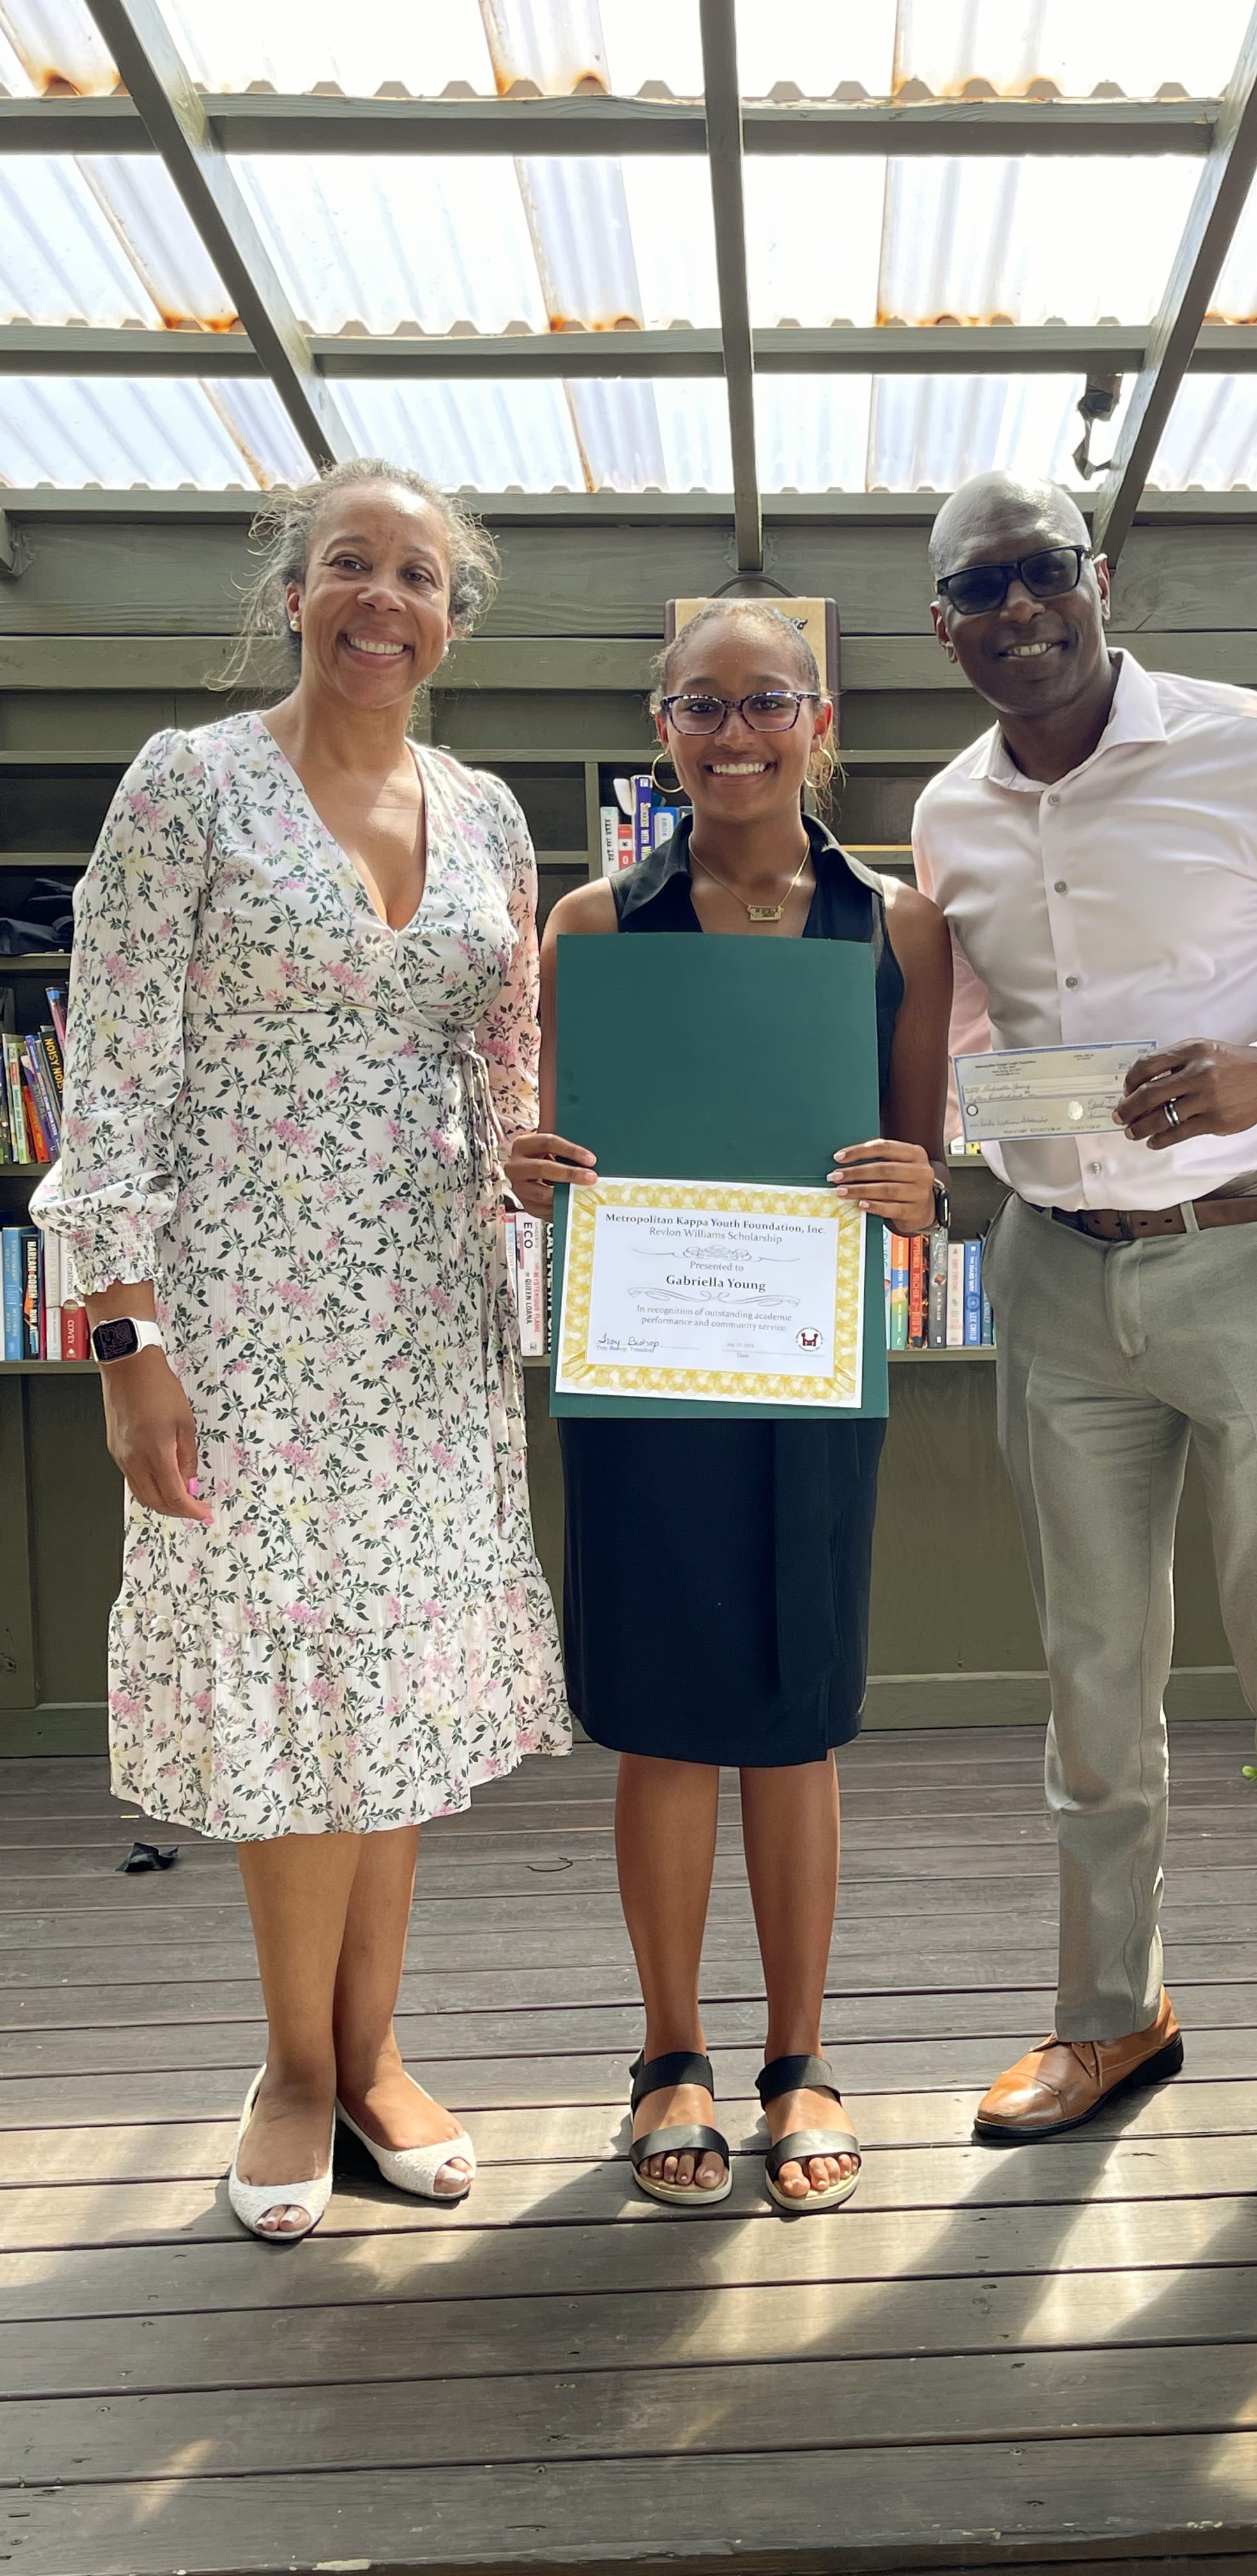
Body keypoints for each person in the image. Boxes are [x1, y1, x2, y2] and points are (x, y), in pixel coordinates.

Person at [913, 473, 1257, 2216]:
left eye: (1041, 572)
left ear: (1099, 578)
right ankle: (1111, 2014)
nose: (1018, 608)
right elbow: (979, 1030)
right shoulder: (951, 816)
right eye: (978, 587)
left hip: (1255, 1260)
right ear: (944, 623)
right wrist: (925, 1140)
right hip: (1055, 1279)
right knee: (1095, 1677)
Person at [35, 459, 572, 2242]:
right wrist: (129, 1338)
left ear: (449, 614)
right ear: (297, 591)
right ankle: (289, 2069)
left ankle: (373, 2051)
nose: (383, 600)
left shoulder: (490, 813)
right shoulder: (187, 787)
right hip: (241, 1319)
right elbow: (109, 1077)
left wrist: (527, 1148)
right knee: (289, 1668)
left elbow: (506, 1060)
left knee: (398, 1674)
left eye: (418, 575)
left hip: (428, 1315)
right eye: (352, 564)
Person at [507, 601, 952, 2216]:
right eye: (706, 704)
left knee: (798, 1706)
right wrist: (535, 1171)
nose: (739, 731)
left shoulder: (899, 929)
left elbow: (926, 1182)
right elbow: (567, 1160)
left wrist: (918, 1187)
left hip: (811, 1365)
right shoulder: (594, 930)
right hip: (645, 1371)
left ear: (819, 716)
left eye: (769, 700)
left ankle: (800, 2060)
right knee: (661, 1713)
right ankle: (670, 2054)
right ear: (663, 725)